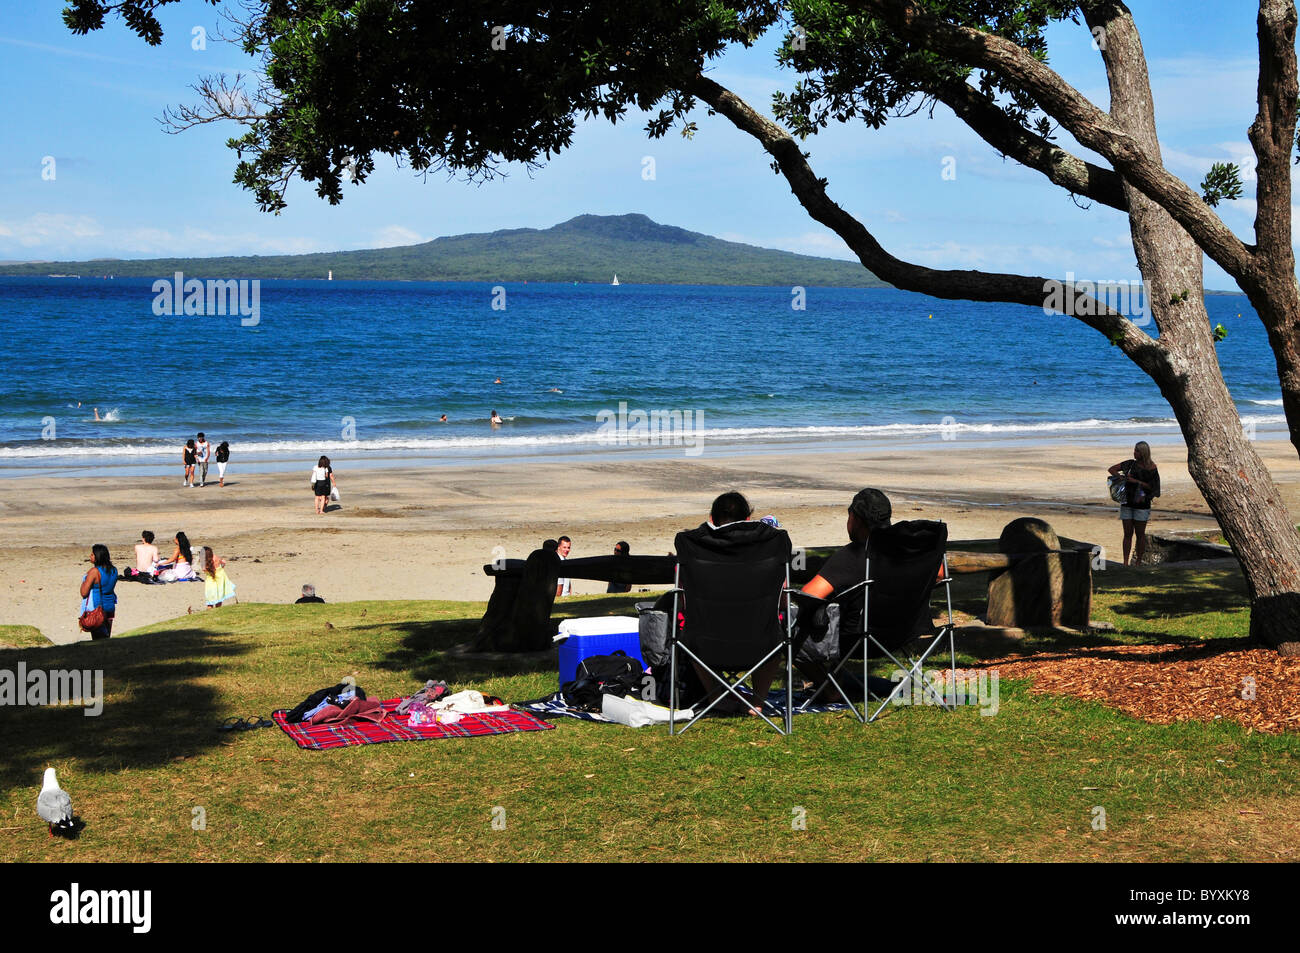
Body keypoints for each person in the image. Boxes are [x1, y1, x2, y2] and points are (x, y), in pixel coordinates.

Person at [796, 488, 901, 699]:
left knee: (789, 625)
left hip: (856, 639)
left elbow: (808, 594)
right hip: (901, 633)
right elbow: (938, 573)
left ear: (856, 519)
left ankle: (829, 687)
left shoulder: (851, 555)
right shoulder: (904, 551)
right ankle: (836, 680)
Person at [1109, 441, 1161, 565]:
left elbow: (1153, 488)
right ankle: (1125, 562)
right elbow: (1111, 469)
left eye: (1137, 451)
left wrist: (1136, 482)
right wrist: (1121, 477)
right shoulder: (1129, 464)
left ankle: (1138, 561)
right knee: (1127, 534)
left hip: (1142, 504)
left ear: (1143, 453)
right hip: (1127, 502)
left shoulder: (1152, 468)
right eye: (1134, 450)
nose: (1134, 452)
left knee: (1140, 535)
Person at [79, 544, 119, 640]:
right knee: (106, 637)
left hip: (97, 607)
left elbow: (84, 592)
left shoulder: (94, 572)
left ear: (98, 556)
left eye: (92, 554)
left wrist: (85, 577)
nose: (90, 556)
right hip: (110, 605)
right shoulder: (114, 570)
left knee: (97, 639)